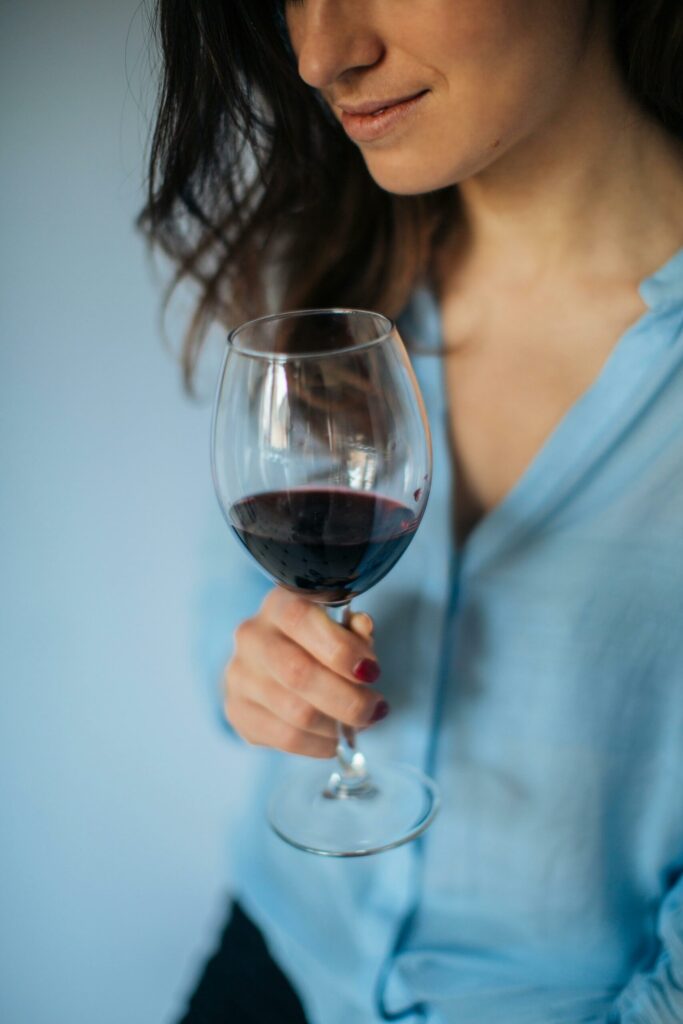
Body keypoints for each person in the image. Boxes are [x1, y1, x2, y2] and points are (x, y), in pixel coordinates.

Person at [138, 1, 683, 1021]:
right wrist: (262, 680)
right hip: (277, 961)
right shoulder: (324, 276)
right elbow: (227, 639)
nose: (318, 54)